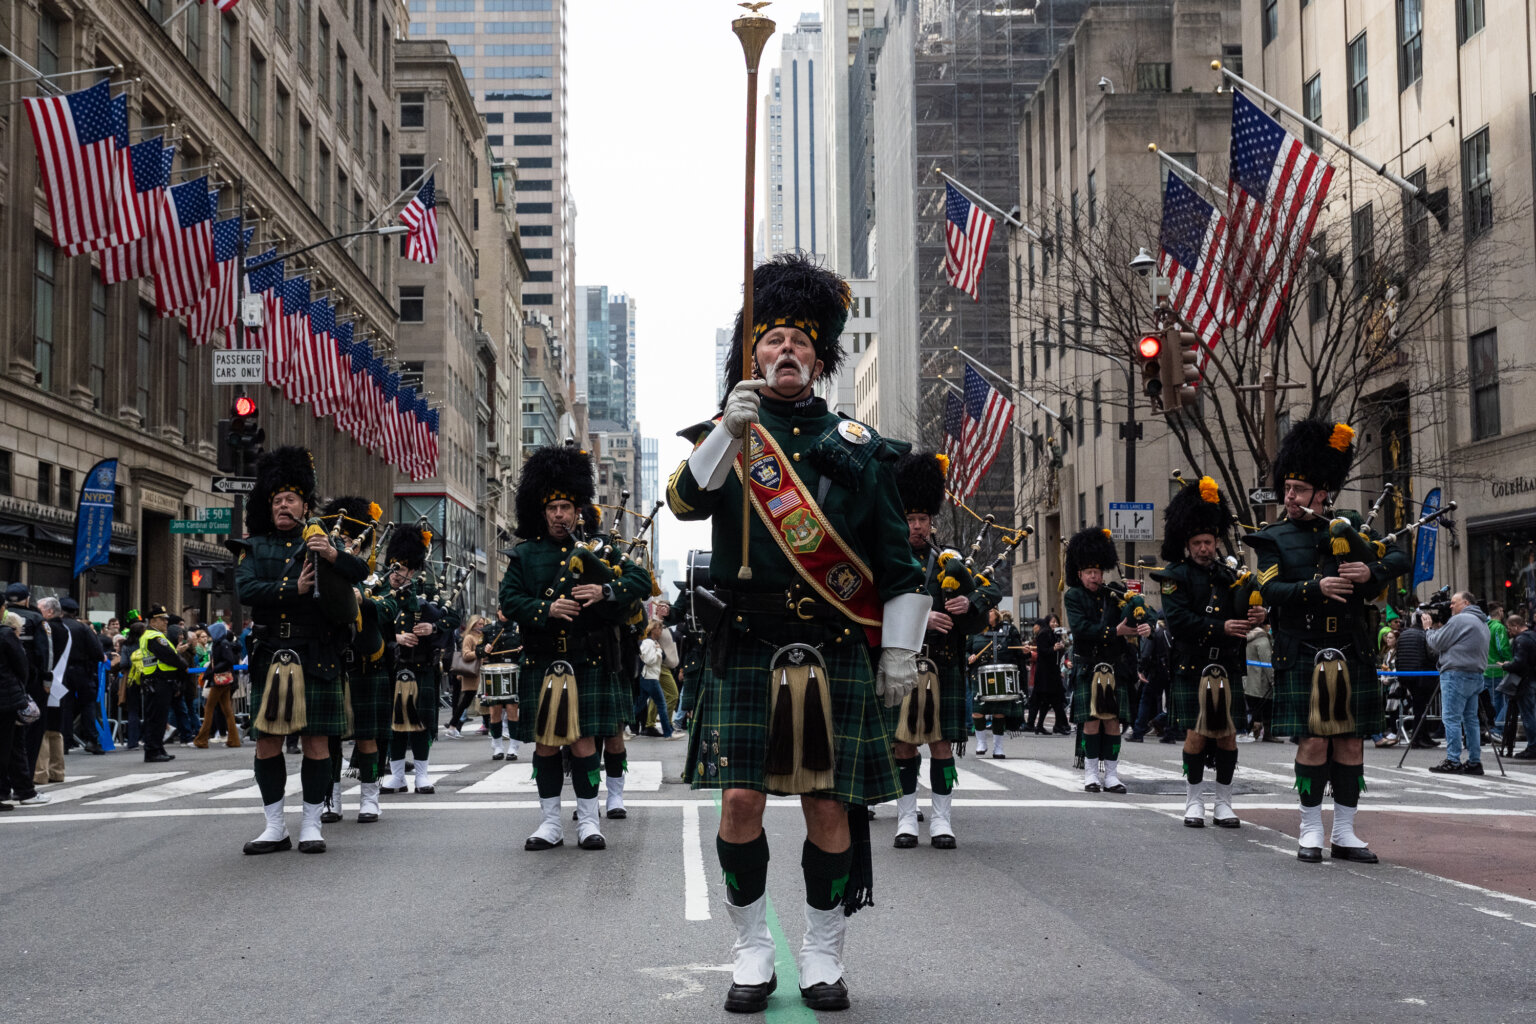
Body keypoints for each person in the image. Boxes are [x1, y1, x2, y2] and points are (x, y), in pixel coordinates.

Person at [667, 252, 926, 1013]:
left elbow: (896, 561)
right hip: (747, 642)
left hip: (832, 647)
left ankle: (821, 952)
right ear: (753, 354)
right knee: (739, 802)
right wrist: (727, 432)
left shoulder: (861, 445)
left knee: (828, 809)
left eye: (800, 343)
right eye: (773, 340)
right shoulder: (729, 432)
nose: (786, 352)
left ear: (820, 358)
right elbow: (684, 504)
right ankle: (750, 950)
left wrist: (901, 649)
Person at [1243, 420, 1408, 863]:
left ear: (1323, 491)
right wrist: (1316, 588)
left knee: (1351, 742)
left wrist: (1370, 572)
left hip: (1351, 648)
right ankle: (1311, 827)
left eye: (1298, 488)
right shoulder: (1272, 537)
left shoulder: (1350, 526)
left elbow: (1399, 555)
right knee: (1314, 742)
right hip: (1302, 649)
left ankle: (1347, 833)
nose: (1290, 497)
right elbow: (1270, 590)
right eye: (1287, 488)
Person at [499, 444, 652, 851]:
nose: (559, 514)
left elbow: (639, 582)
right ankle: (550, 823)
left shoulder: (600, 550)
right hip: (544, 660)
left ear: (578, 509)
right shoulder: (525, 554)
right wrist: (545, 609)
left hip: (588, 658)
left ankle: (588, 819)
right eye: (552, 508)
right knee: (547, 743)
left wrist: (605, 589)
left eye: (566, 506)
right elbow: (509, 601)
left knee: (585, 741)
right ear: (541, 511)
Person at [232, 446, 367, 855]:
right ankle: (275, 826)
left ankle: (311, 823)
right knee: (267, 743)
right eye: (276, 500)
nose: (282, 506)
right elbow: (246, 589)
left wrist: (330, 553)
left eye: (290, 499)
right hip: (272, 651)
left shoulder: (322, 543)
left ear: (306, 506)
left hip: (317, 652)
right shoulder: (254, 547)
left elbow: (361, 574)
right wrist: (293, 589)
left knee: (316, 743)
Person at [888, 450, 999, 849]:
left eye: (922, 519)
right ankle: (905, 819)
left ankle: (941, 821)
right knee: (902, 743)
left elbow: (990, 590)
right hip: (902, 663)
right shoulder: (892, 563)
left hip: (944, 664)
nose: (917, 526)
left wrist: (971, 603)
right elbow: (880, 606)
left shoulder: (949, 560)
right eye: (910, 519)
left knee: (940, 744)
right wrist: (924, 619)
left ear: (931, 521)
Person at [1151, 477, 1266, 829]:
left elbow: (1243, 610)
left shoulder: (1229, 575)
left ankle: (1224, 803)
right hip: (1192, 664)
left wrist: (1260, 613)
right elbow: (1179, 620)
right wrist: (1221, 627)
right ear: (1187, 544)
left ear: (1217, 542)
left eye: (1210, 542)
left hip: (1226, 663)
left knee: (1228, 734)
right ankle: (1193, 800)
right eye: (1198, 542)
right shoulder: (1174, 576)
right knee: (1196, 735)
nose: (1205, 548)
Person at [315, 495, 388, 822]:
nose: (343, 543)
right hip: (332, 661)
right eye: (339, 537)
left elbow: (391, 608)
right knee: (329, 737)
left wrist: (366, 600)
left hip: (365, 663)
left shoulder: (371, 576)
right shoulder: (323, 571)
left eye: (348, 539)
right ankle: (331, 798)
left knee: (366, 735)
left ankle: (370, 795)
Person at [1065, 527, 1145, 793]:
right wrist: (1115, 632)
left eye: (1098, 572)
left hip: (1113, 666)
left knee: (1113, 720)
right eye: (1089, 572)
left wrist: (1136, 606)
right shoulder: (1073, 595)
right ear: (1080, 574)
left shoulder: (1113, 593)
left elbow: (1133, 615)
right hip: (1088, 665)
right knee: (1091, 720)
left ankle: (1111, 774)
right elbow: (1081, 629)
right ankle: (1090, 773)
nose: (1094, 577)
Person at [378, 523, 455, 796]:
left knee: (421, 724)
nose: (402, 575)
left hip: (421, 668)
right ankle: (397, 776)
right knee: (394, 726)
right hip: (391, 668)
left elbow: (451, 620)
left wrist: (432, 629)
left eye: (408, 570)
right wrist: (394, 639)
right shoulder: (377, 594)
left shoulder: (425, 597)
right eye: (398, 568)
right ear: (390, 565)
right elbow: (364, 629)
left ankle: (422, 776)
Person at [1424, 591, 1492, 775]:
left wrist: (1428, 629)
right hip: (1475, 674)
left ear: (1466, 603)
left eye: (1454, 603)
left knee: (1451, 719)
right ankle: (1474, 761)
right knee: (1471, 720)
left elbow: (1436, 643)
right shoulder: (1483, 622)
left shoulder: (1460, 620)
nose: (1450, 606)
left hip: (1456, 674)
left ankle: (1453, 760)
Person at [0, 610, 43, 810]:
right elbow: (22, 666)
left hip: (8, 698)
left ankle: (23, 790)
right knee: (8, 746)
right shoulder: (6, 634)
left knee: (14, 745)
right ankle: (21, 791)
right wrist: (22, 690)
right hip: (7, 699)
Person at [968, 607, 1022, 757]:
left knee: (999, 713)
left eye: (990, 610)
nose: (987, 613)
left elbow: (1018, 651)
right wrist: (969, 656)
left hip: (1001, 675)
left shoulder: (1009, 629)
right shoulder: (975, 629)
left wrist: (1025, 651)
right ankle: (981, 742)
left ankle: (998, 747)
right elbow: (966, 650)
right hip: (979, 675)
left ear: (996, 613)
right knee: (978, 711)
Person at [57, 597, 106, 755]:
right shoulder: (83, 628)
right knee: (88, 704)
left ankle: (64, 742)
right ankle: (92, 740)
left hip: (61, 670)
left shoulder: (54, 626)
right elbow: (98, 652)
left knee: (65, 705)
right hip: (82, 670)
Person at [137, 606, 186, 764]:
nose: (166, 621)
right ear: (153, 621)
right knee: (156, 719)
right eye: (162, 619)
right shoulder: (154, 637)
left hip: (159, 681)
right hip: (158, 681)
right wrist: (182, 663)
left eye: (166, 619)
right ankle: (152, 751)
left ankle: (157, 748)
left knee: (158, 717)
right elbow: (170, 656)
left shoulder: (152, 635)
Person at [480, 612, 522, 761]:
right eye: (501, 610)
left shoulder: (519, 627)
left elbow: (529, 649)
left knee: (512, 710)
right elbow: (478, 651)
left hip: (512, 671)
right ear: (497, 612)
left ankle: (513, 747)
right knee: (494, 712)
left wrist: (522, 649)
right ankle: (497, 746)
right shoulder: (489, 629)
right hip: (494, 671)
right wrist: (484, 650)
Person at [193, 621, 241, 748]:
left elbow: (227, 661)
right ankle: (234, 739)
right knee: (227, 710)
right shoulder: (222, 643)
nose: (209, 634)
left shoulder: (221, 644)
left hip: (219, 680)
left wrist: (212, 671)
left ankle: (202, 739)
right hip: (223, 679)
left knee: (209, 708)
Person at [1394, 608, 1438, 747]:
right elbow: (1432, 655)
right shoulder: (1425, 634)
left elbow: (1398, 656)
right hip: (1422, 675)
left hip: (1406, 676)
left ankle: (1423, 736)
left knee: (1419, 706)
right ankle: (1418, 738)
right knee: (1421, 708)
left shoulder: (1403, 634)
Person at [635, 619, 679, 739]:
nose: (661, 632)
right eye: (659, 629)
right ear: (654, 630)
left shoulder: (651, 642)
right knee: (662, 704)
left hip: (649, 677)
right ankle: (668, 733)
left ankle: (621, 728)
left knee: (639, 706)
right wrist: (659, 651)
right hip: (650, 678)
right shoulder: (649, 643)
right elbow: (649, 660)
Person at [1499, 614, 1536, 760]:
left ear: (1515, 625)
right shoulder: (1533, 636)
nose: (1509, 632)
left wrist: (1507, 666)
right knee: (1531, 714)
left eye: (1509, 628)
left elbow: (1520, 663)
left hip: (1525, 682)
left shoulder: (1521, 640)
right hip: (1533, 678)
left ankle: (1533, 746)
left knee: (1528, 716)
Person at [1025, 618, 1068, 734]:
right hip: (1046, 673)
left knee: (1049, 700)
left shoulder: (1050, 634)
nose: (1055, 624)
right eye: (1052, 622)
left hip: (1050, 672)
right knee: (1051, 699)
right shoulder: (1044, 634)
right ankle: (1059, 725)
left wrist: (1058, 647)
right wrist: (1054, 648)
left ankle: (1042, 725)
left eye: (1056, 622)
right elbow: (1043, 651)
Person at [1245, 625, 1275, 741]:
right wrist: (1273, 679)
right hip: (1261, 682)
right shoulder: (1262, 640)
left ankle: (1252, 730)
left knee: (1253, 708)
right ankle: (1267, 733)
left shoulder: (1248, 637)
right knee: (1266, 708)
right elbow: (1267, 661)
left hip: (1250, 680)